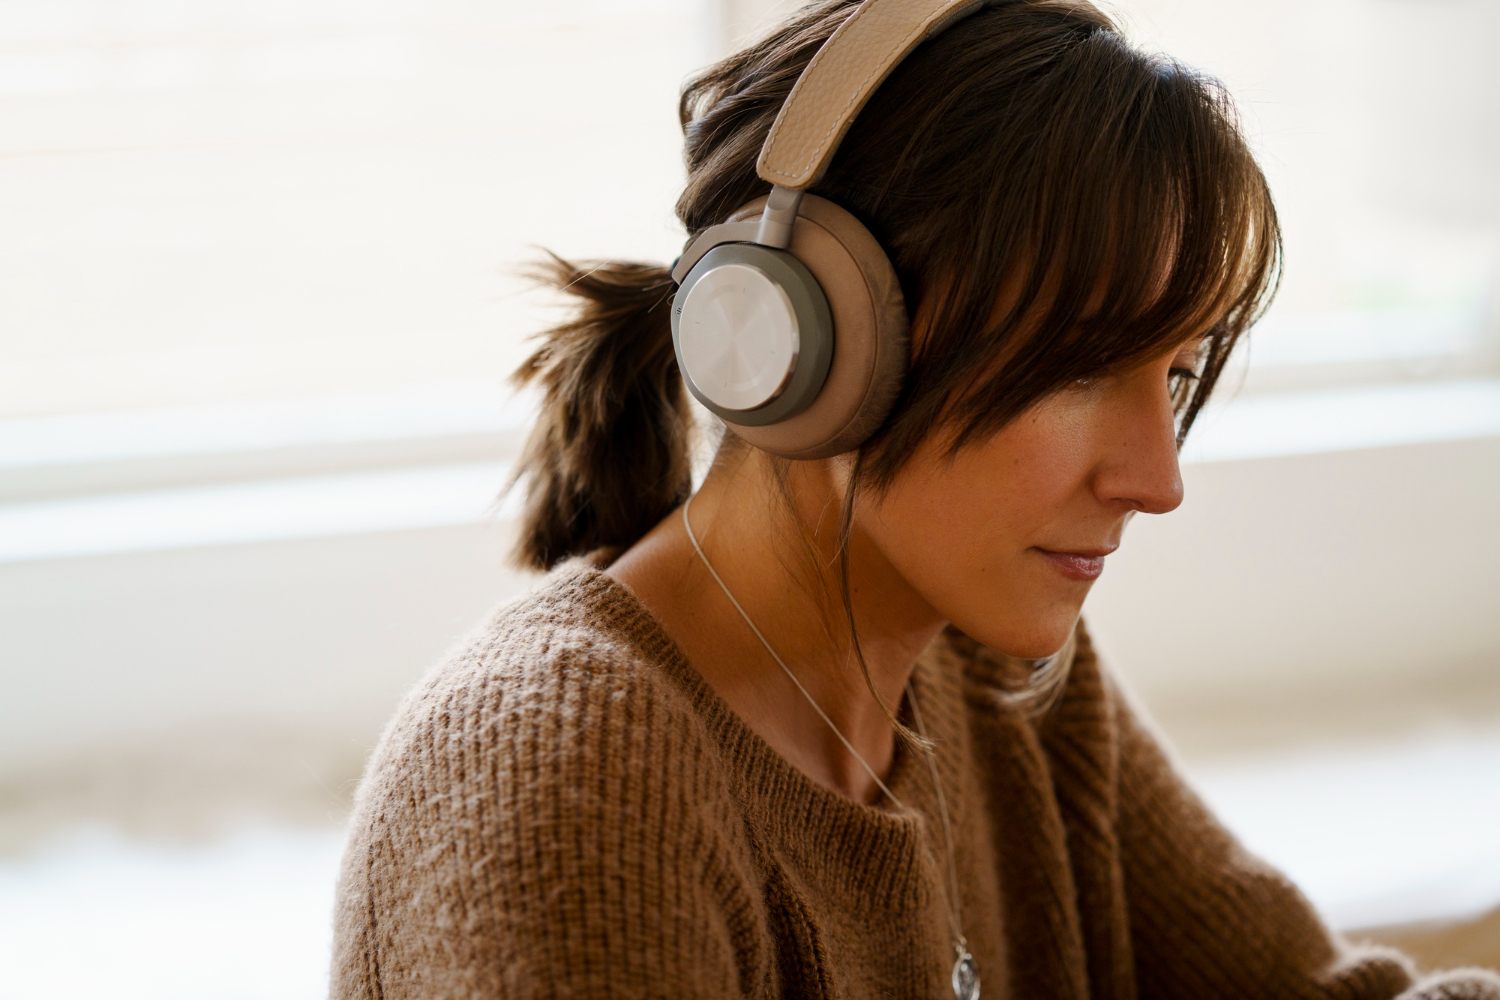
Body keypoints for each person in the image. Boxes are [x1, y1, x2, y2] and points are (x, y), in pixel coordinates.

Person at [328, 1, 1500, 997]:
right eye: (1085, 365)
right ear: (807, 338)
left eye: (1179, 374)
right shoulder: (570, 784)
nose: (1157, 479)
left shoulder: (995, 671)